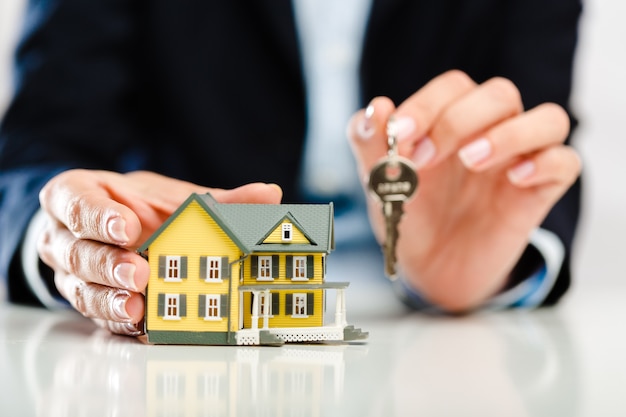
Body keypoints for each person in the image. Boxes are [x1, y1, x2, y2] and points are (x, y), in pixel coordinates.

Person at [0, 0, 582, 336]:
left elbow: (537, 134)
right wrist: (69, 233)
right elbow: (38, 145)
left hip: (423, 327)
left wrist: (485, 270)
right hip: (160, 287)